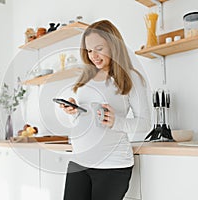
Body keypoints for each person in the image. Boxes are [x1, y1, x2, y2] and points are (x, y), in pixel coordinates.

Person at [60, 20, 151, 200]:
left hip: (112, 166)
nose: (93, 55)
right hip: (80, 161)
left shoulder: (130, 77)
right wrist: (74, 113)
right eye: (89, 50)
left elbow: (146, 124)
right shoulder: (86, 78)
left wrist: (116, 121)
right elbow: (84, 120)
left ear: (114, 45)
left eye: (99, 48)